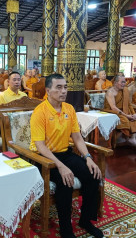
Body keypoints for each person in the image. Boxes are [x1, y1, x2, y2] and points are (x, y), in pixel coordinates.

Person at [30, 74, 103, 238]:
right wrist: (61, 167)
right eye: (58, 87)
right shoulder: (39, 112)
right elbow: (40, 145)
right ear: (48, 90)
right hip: (44, 158)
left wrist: (88, 158)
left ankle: (85, 220)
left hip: (65, 153)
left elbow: (77, 137)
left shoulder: (69, 109)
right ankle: (66, 230)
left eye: (65, 87)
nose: (63, 91)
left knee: (92, 174)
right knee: (66, 182)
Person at [104, 75, 136, 148]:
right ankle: (117, 140)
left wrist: (133, 113)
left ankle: (132, 138)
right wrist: (127, 115)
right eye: (122, 82)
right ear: (116, 83)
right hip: (113, 112)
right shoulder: (110, 92)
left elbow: (129, 104)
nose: (124, 84)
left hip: (124, 111)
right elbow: (113, 107)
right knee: (125, 120)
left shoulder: (125, 90)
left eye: (124, 82)